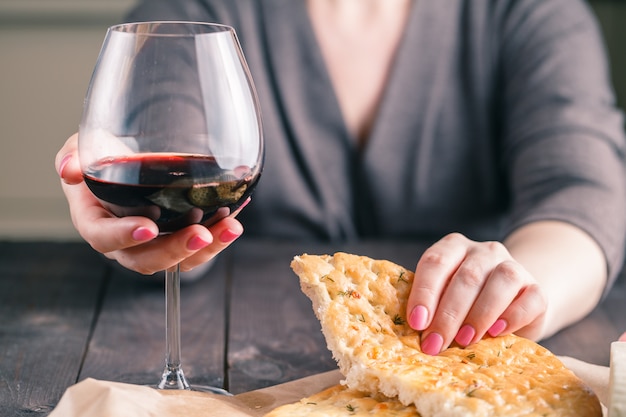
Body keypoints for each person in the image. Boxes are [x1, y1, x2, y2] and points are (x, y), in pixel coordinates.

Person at [55, 0, 626, 356]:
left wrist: (517, 286)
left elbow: (583, 192)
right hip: (231, 353)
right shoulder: (190, 11)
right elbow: (169, 163)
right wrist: (142, 231)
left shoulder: (529, 13)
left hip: (457, 346)